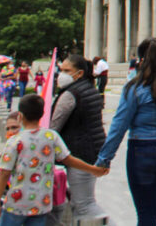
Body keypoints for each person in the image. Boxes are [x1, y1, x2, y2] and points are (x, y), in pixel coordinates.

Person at [96, 38, 156, 226]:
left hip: (143, 150)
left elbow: (119, 125)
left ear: (145, 60)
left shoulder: (136, 87)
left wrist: (105, 158)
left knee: (146, 211)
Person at [0, 93, 107, 226]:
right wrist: (93, 169)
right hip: (41, 204)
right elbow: (68, 159)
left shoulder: (14, 141)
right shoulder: (51, 136)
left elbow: (4, 173)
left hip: (16, 204)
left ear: (20, 116)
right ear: (42, 114)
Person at [49, 54, 109, 221]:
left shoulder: (71, 94)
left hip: (78, 153)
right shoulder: (90, 89)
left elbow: (54, 126)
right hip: (92, 151)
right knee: (81, 201)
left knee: (84, 204)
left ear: (79, 73)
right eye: (62, 70)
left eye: (67, 70)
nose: (62, 74)